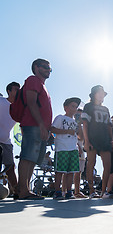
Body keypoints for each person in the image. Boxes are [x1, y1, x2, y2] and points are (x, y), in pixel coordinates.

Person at [18, 58, 52, 200]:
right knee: (27, 157)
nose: (48, 70)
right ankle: (22, 191)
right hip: (33, 125)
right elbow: (31, 103)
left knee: (33, 159)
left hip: (40, 128)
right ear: (36, 67)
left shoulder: (42, 85)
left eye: (50, 68)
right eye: (45, 67)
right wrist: (41, 125)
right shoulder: (33, 80)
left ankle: (26, 190)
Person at [82, 85, 113, 198]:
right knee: (91, 163)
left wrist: (112, 140)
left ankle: (103, 191)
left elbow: (110, 126)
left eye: (103, 93)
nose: (101, 95)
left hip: (105, 139)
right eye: (99, 93)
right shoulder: (88, 106)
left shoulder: (106, 109)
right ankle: (91, 190)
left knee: (108, 165)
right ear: (93, 94)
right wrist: (86, 141)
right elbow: (85, 124)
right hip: (92, 138)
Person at [50, 97, 82, 200]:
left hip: (73, 148)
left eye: (76, 107)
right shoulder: (60, 118)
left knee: (71, 171)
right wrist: (67, 132)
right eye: (72, 106)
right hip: (62, 147)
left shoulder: (75, 122)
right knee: (60, 171)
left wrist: (79, 148)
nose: (74, 109)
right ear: (66, 107)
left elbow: (79, 136)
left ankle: (69, 191)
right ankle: (58, 192)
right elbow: (52, 129)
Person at [0, 82, 20, 199]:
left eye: (19, 90)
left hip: (6, 141)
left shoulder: (18, 108)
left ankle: (17, 191)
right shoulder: (1, 101)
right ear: (9, 91)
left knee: (10, 167)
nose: (18, 92)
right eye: (16, 90)